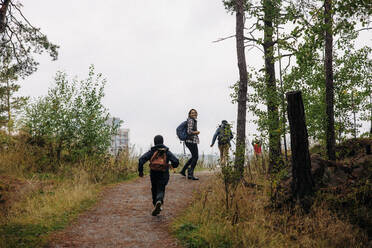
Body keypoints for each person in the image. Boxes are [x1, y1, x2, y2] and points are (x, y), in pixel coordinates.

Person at [138, 135, 179, 216]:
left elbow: (141, 159)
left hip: (153, 173)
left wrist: (141, 171)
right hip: (164, 173)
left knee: (154, 188)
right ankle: (159, 201)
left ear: (154, 142)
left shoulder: (152, 151)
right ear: (163, 141)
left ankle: (156, 204)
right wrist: (172, 166)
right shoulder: (166, 151)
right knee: (161, 188)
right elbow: (176, 161)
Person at [179, 109, 200, 180]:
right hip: (191, 140)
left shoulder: (191, 120)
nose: (194, 114)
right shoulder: (191, 120)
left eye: (195, 113)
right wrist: (196, 132)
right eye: (192, 113)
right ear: (189, 114)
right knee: (196, 156)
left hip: (189, 141)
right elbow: (189, 131)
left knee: (194, 156)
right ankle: (190, 174)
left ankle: (183, 170)